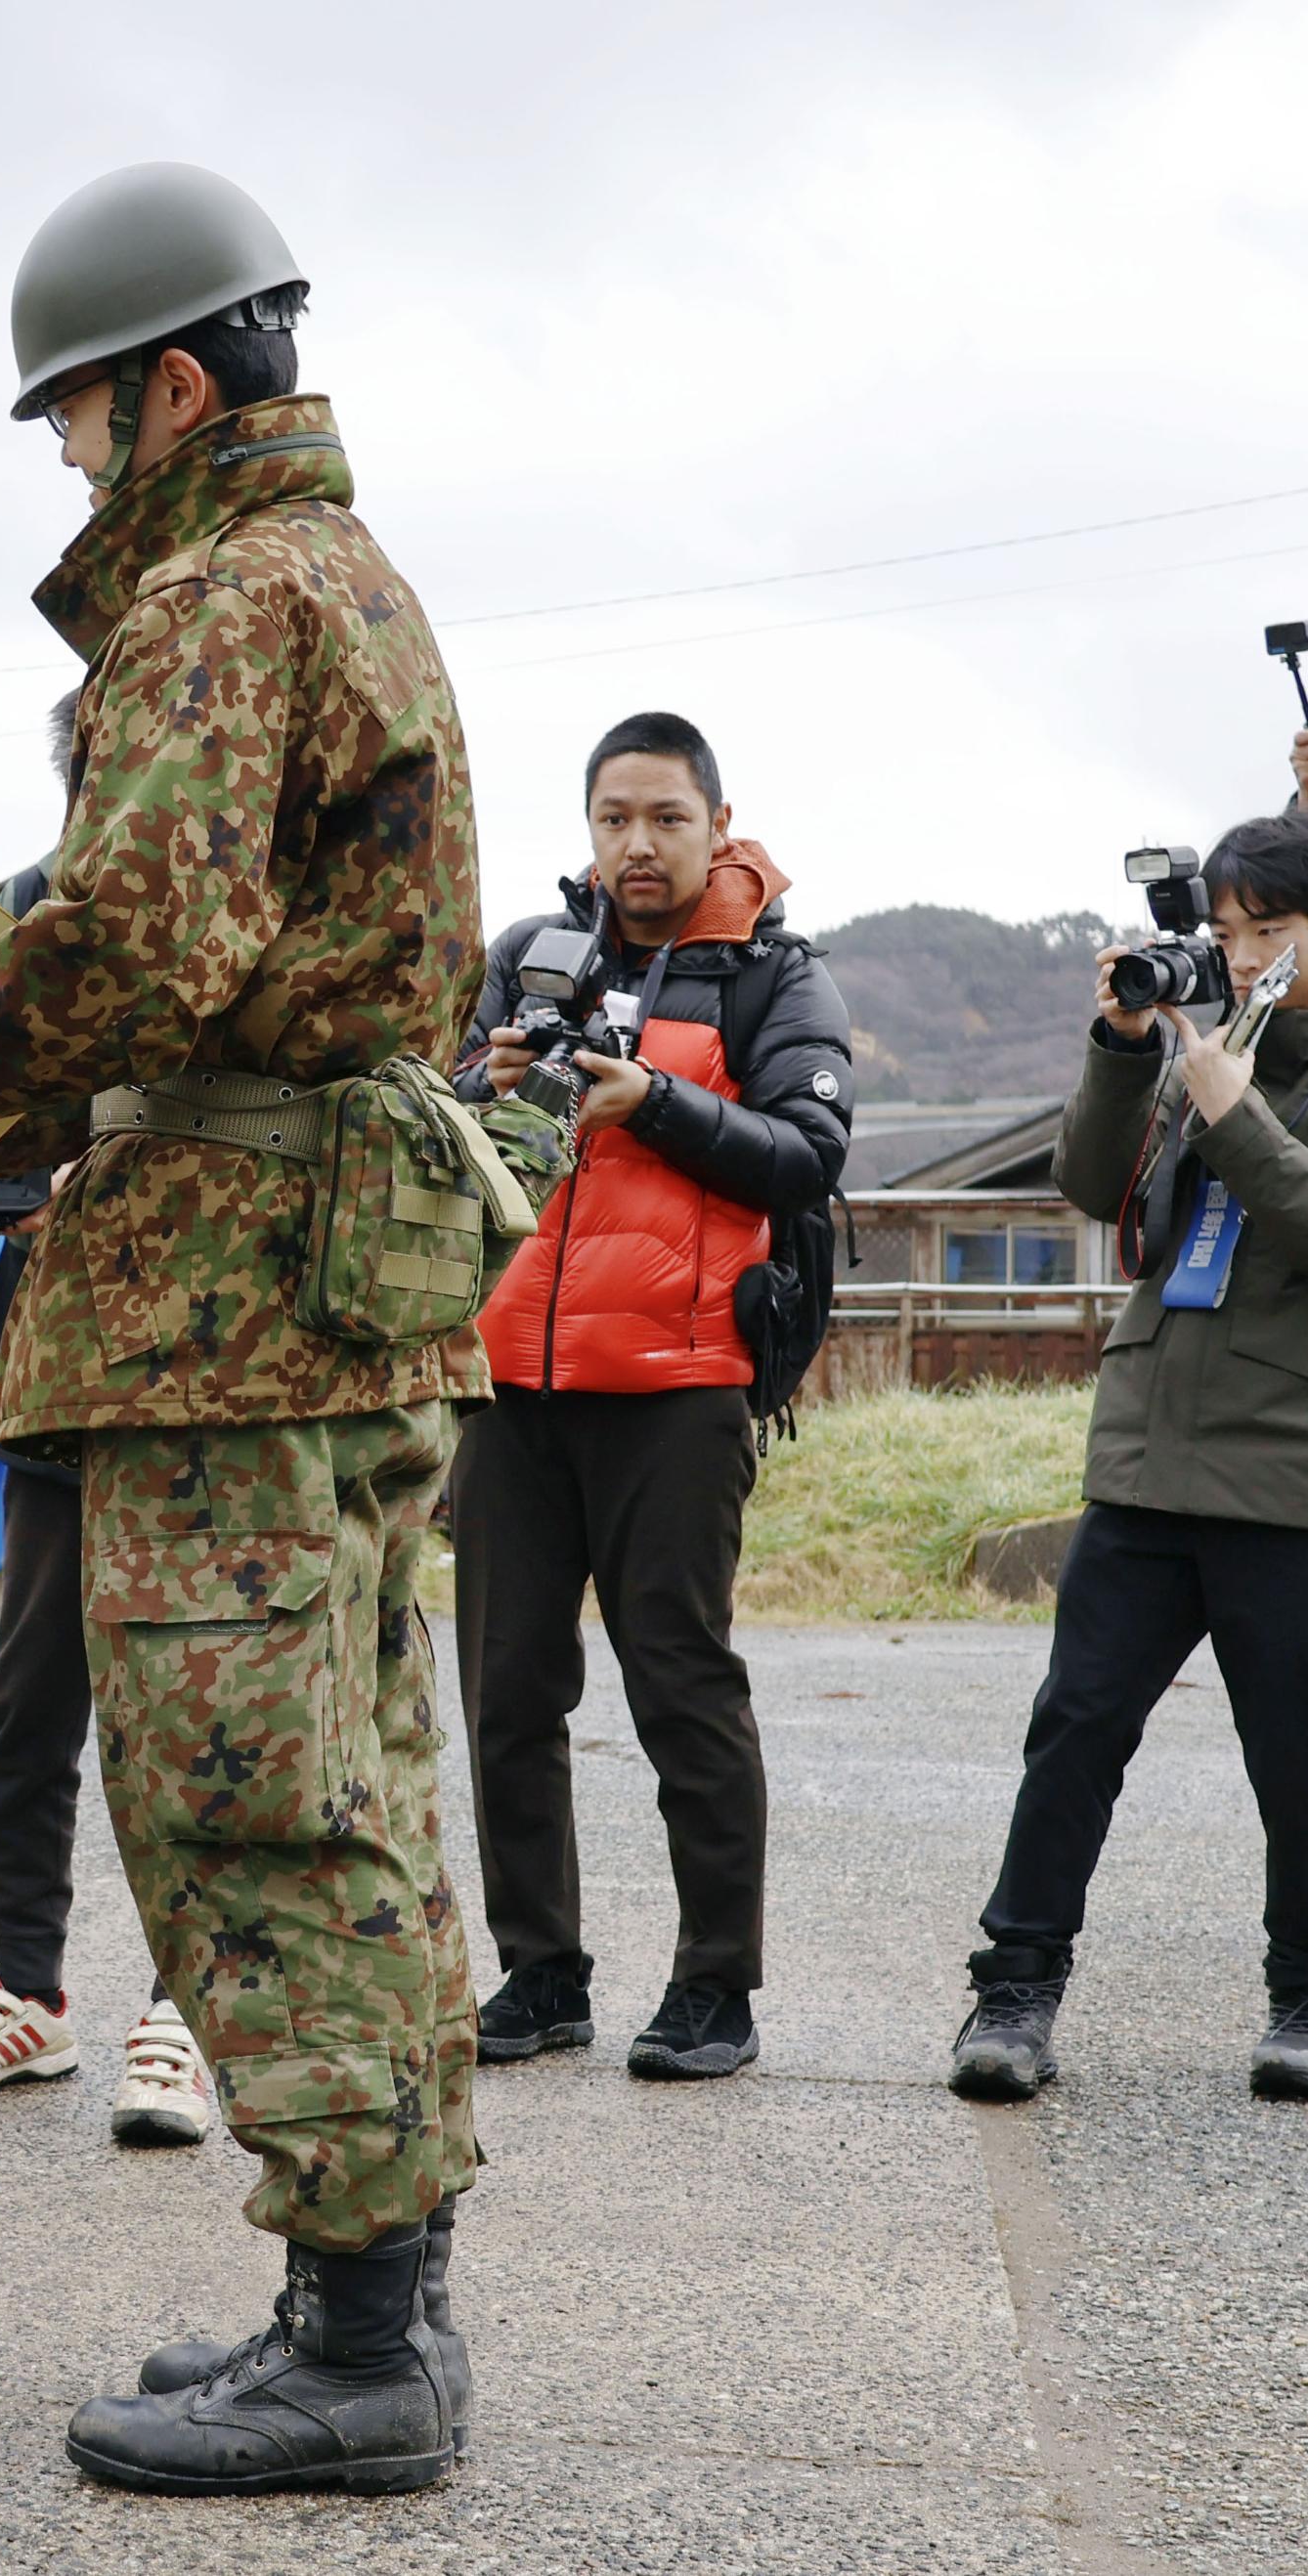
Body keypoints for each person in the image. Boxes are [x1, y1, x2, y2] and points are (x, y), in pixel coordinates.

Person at [0, 161, 545, 2495]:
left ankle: (365, 2342)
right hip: (303, 1270)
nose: (70, 462)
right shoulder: (337, 580)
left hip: (240, 1298)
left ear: (169, 384)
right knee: (353, 1784)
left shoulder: (225, 594)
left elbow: (125, 953)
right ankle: (354, 2291)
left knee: (249, 1798)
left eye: (75, 418)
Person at [944, 793, 1308, 2109]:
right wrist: (1125, 1048)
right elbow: (1087, 1181)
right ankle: (1014, 1989)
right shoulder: (1213, 1040)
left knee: (1302, 1752)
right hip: (1151, 1452)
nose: (1242, 952)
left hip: (1307, 1469)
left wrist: (1236, 1110)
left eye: (1270, 926)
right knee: (1073, 1729)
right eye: (1227, 927)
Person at [451, 710, 852, 2081]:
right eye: (614, 817)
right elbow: (443, 1125)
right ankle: (540, 1967)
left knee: (681, 1685)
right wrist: (481, 1082)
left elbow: (807, 1155)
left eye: (666, 817)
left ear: (714, 822)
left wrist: (653, 1102)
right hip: (513, 1375)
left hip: (682, 1383)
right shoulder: (527, 958)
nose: (637, 841)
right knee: (506, 1688)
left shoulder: (772, 975)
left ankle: (714, 1986)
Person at [0, 718, 219, 2146]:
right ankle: (29, 1988)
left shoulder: (236, 899)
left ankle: (188, 2008)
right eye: (94, 760)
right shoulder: (14, 915)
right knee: (32, 1703)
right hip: (49, 1359)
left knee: (195, 1711)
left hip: (208, 1368)